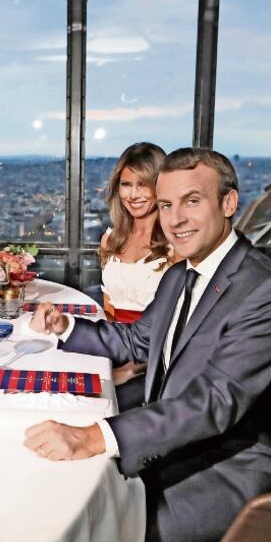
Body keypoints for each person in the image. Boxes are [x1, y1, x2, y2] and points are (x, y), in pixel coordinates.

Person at [26, 148, 271, 542]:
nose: (175, 219)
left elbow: (214, 402)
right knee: (55, 499)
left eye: (192, 201)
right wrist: (67, 327)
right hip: (171, 447)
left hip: (226, 471)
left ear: (228, 203)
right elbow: (138, 341)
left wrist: (96, 436)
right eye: (168, 204)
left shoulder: (268, 292)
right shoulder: (179, 274)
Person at [99, 142, 171, 400]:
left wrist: (129, 370)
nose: (133, 194)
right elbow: (109, 309)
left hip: (155, 364)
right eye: (126, 184)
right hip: (115, 353)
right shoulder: (110, 240)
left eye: (143, 184)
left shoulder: (176, 246)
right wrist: (109, 361)